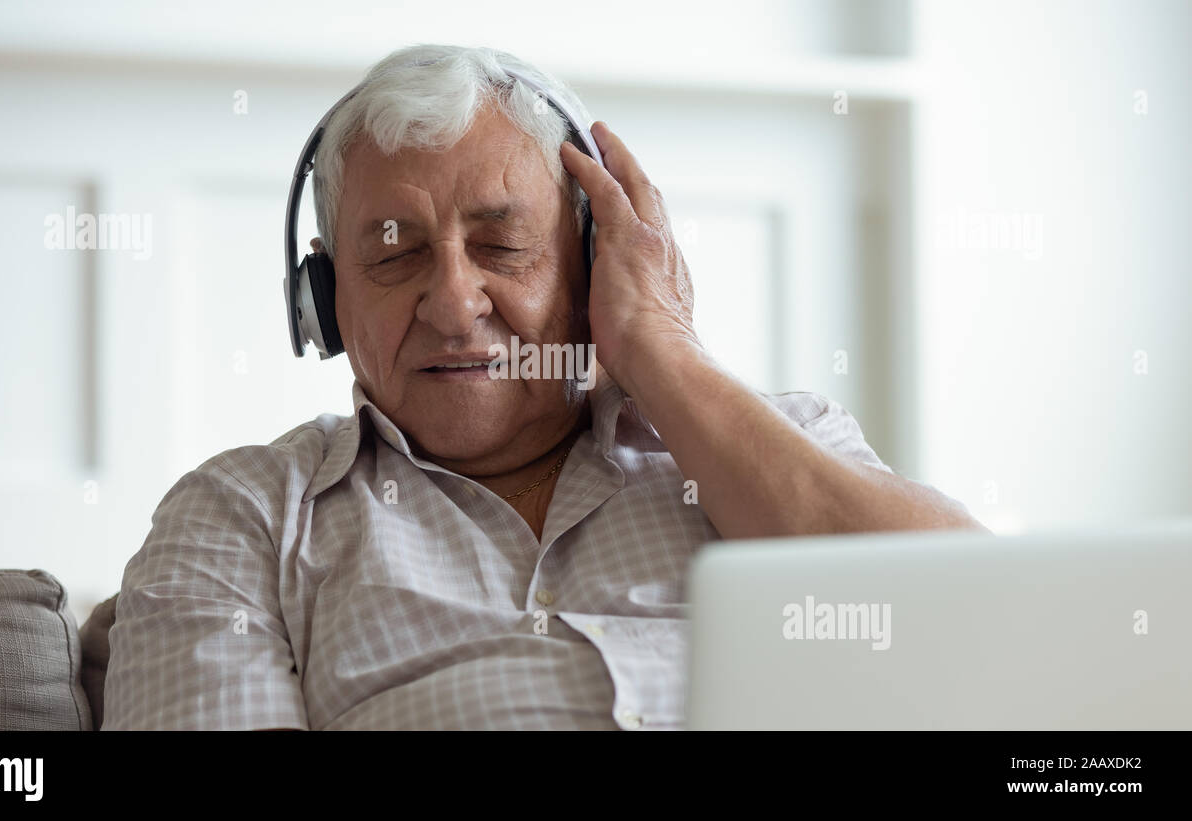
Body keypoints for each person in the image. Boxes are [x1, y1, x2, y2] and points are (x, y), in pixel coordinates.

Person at [102, 44, 984, 731]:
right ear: (326, 302)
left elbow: (990, 631)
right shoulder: (242, 518)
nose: (453, 305)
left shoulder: (772, 438)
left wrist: (663, 350)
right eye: (397, 251)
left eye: (503, 244)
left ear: (594, 261)